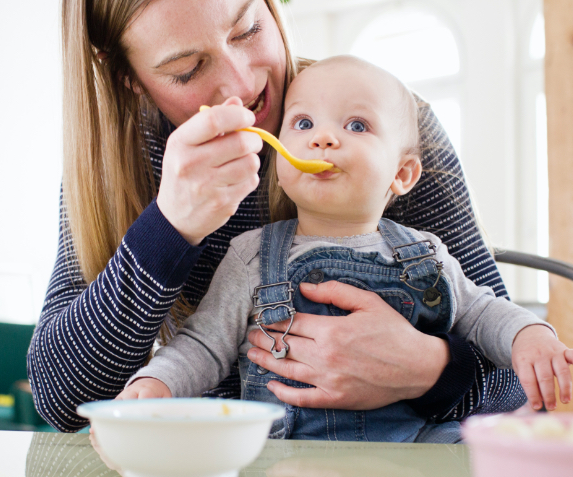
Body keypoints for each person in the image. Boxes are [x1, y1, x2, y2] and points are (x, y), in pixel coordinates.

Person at [28, 0, 540, 434]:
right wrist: (168, 229)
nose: (241, 83)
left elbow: (518, 382)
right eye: (187, 68)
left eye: (248, 29)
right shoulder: (119, 165)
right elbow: (60, 399)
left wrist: (431, 372)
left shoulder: (386, 129)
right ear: (129, 79)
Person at [118, 56, 572, 442]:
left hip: (416, 457)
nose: (323, 138)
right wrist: (157, 383)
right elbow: (203, 346)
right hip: (285, 466)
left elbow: (485, 312)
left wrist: (530, 337)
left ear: (403, 175)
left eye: (356, 125)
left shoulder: (426, 253)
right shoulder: (250, 256)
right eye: (303, 123)